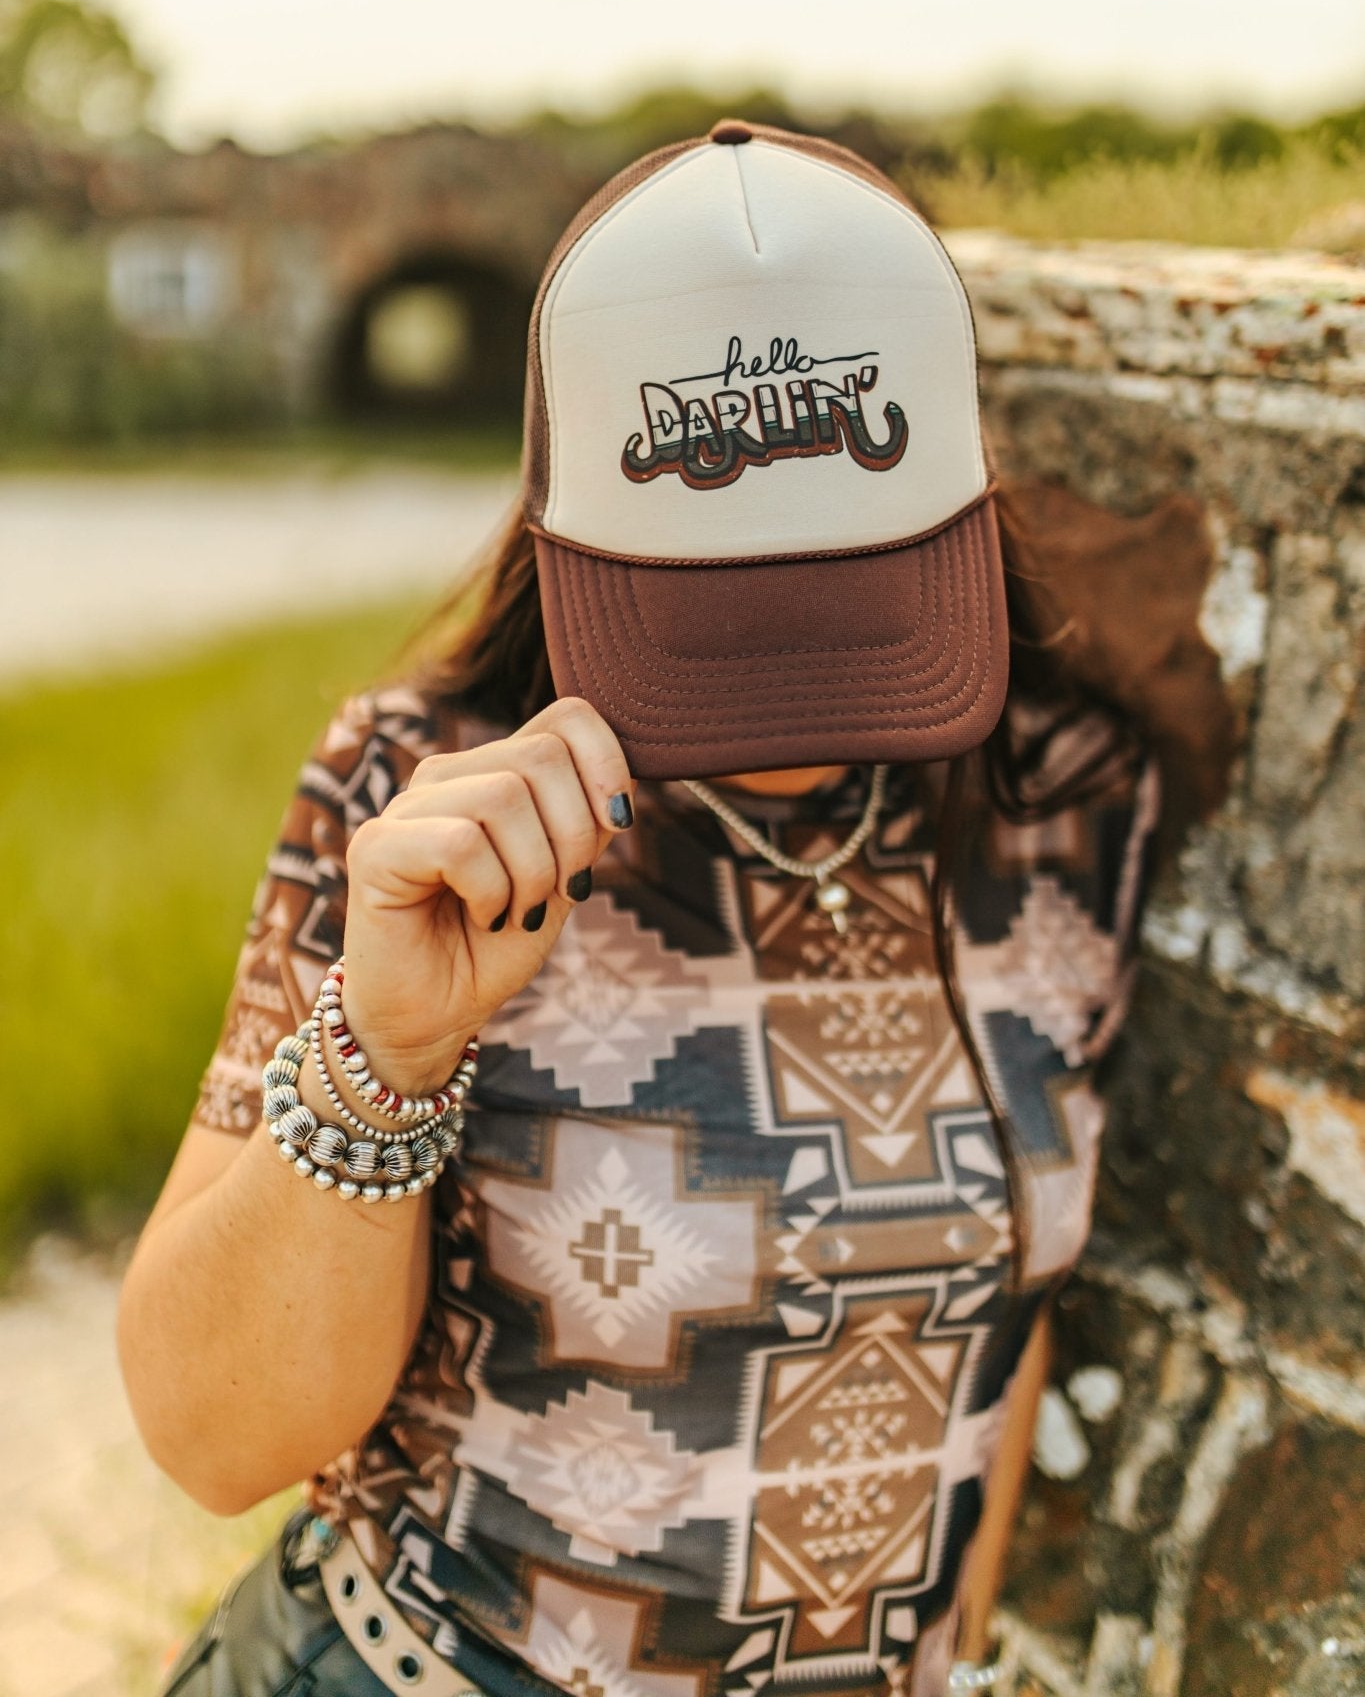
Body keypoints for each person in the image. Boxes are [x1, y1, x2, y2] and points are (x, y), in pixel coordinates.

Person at [119, 122, 1161, 1697]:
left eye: (853, 600)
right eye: (716, 619)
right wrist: (389, 1046)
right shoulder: (418, 797)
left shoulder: (1064, 801)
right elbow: (213, 1438)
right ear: (562, 532)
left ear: (967, 497)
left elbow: (997, 1338)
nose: (790, 695)